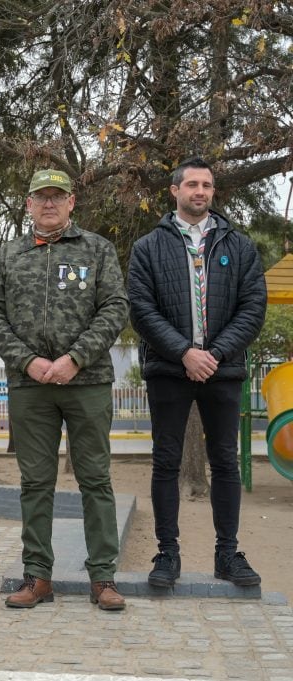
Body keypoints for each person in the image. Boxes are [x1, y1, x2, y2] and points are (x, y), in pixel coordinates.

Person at [0, 169, 129, 611]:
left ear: (71, 202)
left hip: (87, 383)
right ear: (28, 204)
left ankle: (103, 578)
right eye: (40, 196)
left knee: (96, 479)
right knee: (35, 483)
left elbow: (115, 307)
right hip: (30, 385)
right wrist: (30, 361)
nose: (48, 203)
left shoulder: (97, 249)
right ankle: (37, 577)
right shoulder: (10, 254)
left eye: (56, 196)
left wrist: (74, 359)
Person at [128, 157, 267, 588]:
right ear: (175, 191)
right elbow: (141, 309)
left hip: (223, 373)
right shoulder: (148, 247)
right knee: (166, 462)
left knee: (225, 462)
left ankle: (228, 553)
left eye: (207, 185)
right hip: (168, 370)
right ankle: (167, 554)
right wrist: (185, 353)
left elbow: (253, 307)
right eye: (192, 184)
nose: (200, 192)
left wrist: (216, 354)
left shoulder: (239, 246)